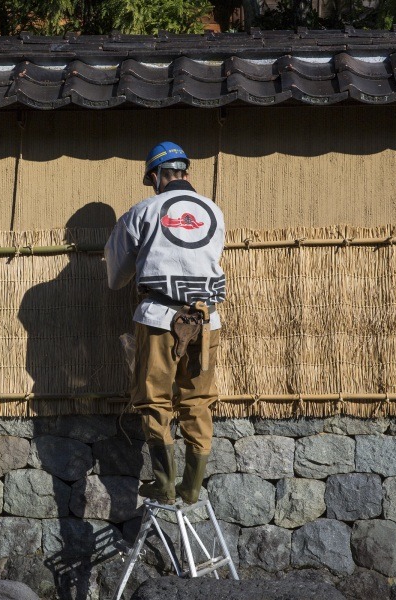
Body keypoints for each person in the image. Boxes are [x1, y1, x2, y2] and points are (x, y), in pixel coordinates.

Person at [105, 141, 226, 505]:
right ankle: (191, 485)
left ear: (155, 176)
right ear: (186, 173)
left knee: (155, 400)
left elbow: (116, 277)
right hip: (207, 319)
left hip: (160, 316)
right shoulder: (215, 211)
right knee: (199, 399)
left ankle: (164, 484)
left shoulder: (142, 211)